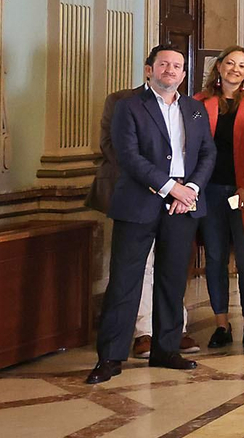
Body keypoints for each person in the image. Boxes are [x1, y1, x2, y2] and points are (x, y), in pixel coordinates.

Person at [86, 46, 214, 385]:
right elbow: (127, 156)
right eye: (164, 65)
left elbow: (207, 153)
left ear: (184, 74)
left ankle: (166, 348)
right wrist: (171, 187)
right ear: (149, 70)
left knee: (172, 280)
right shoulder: (128, 106)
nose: (171, 70)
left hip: (183, 206)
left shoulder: (195, 109)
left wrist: (192, 190)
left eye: (177, 66)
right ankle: (111, 357)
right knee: (125, 282)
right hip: (140, 203)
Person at [194, 45, 244, 351]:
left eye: (242, 65)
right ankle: (221, 324)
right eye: (230, 63)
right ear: (219, 66)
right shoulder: (200, 102)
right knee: (214, 258)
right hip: (209, 189)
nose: (235, 69)